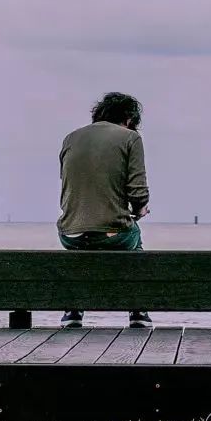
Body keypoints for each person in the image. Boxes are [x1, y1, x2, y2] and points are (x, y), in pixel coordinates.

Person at [57, 91, 151, 329]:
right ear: (129, 119)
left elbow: (70, 184)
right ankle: (138, 310)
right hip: (112, 235)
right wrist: (140, 209)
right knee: (135, 239)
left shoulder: (70, 138)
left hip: (71, 235)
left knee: (83, 250)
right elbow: (138, 191)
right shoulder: (130, 138)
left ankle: (73, 311)